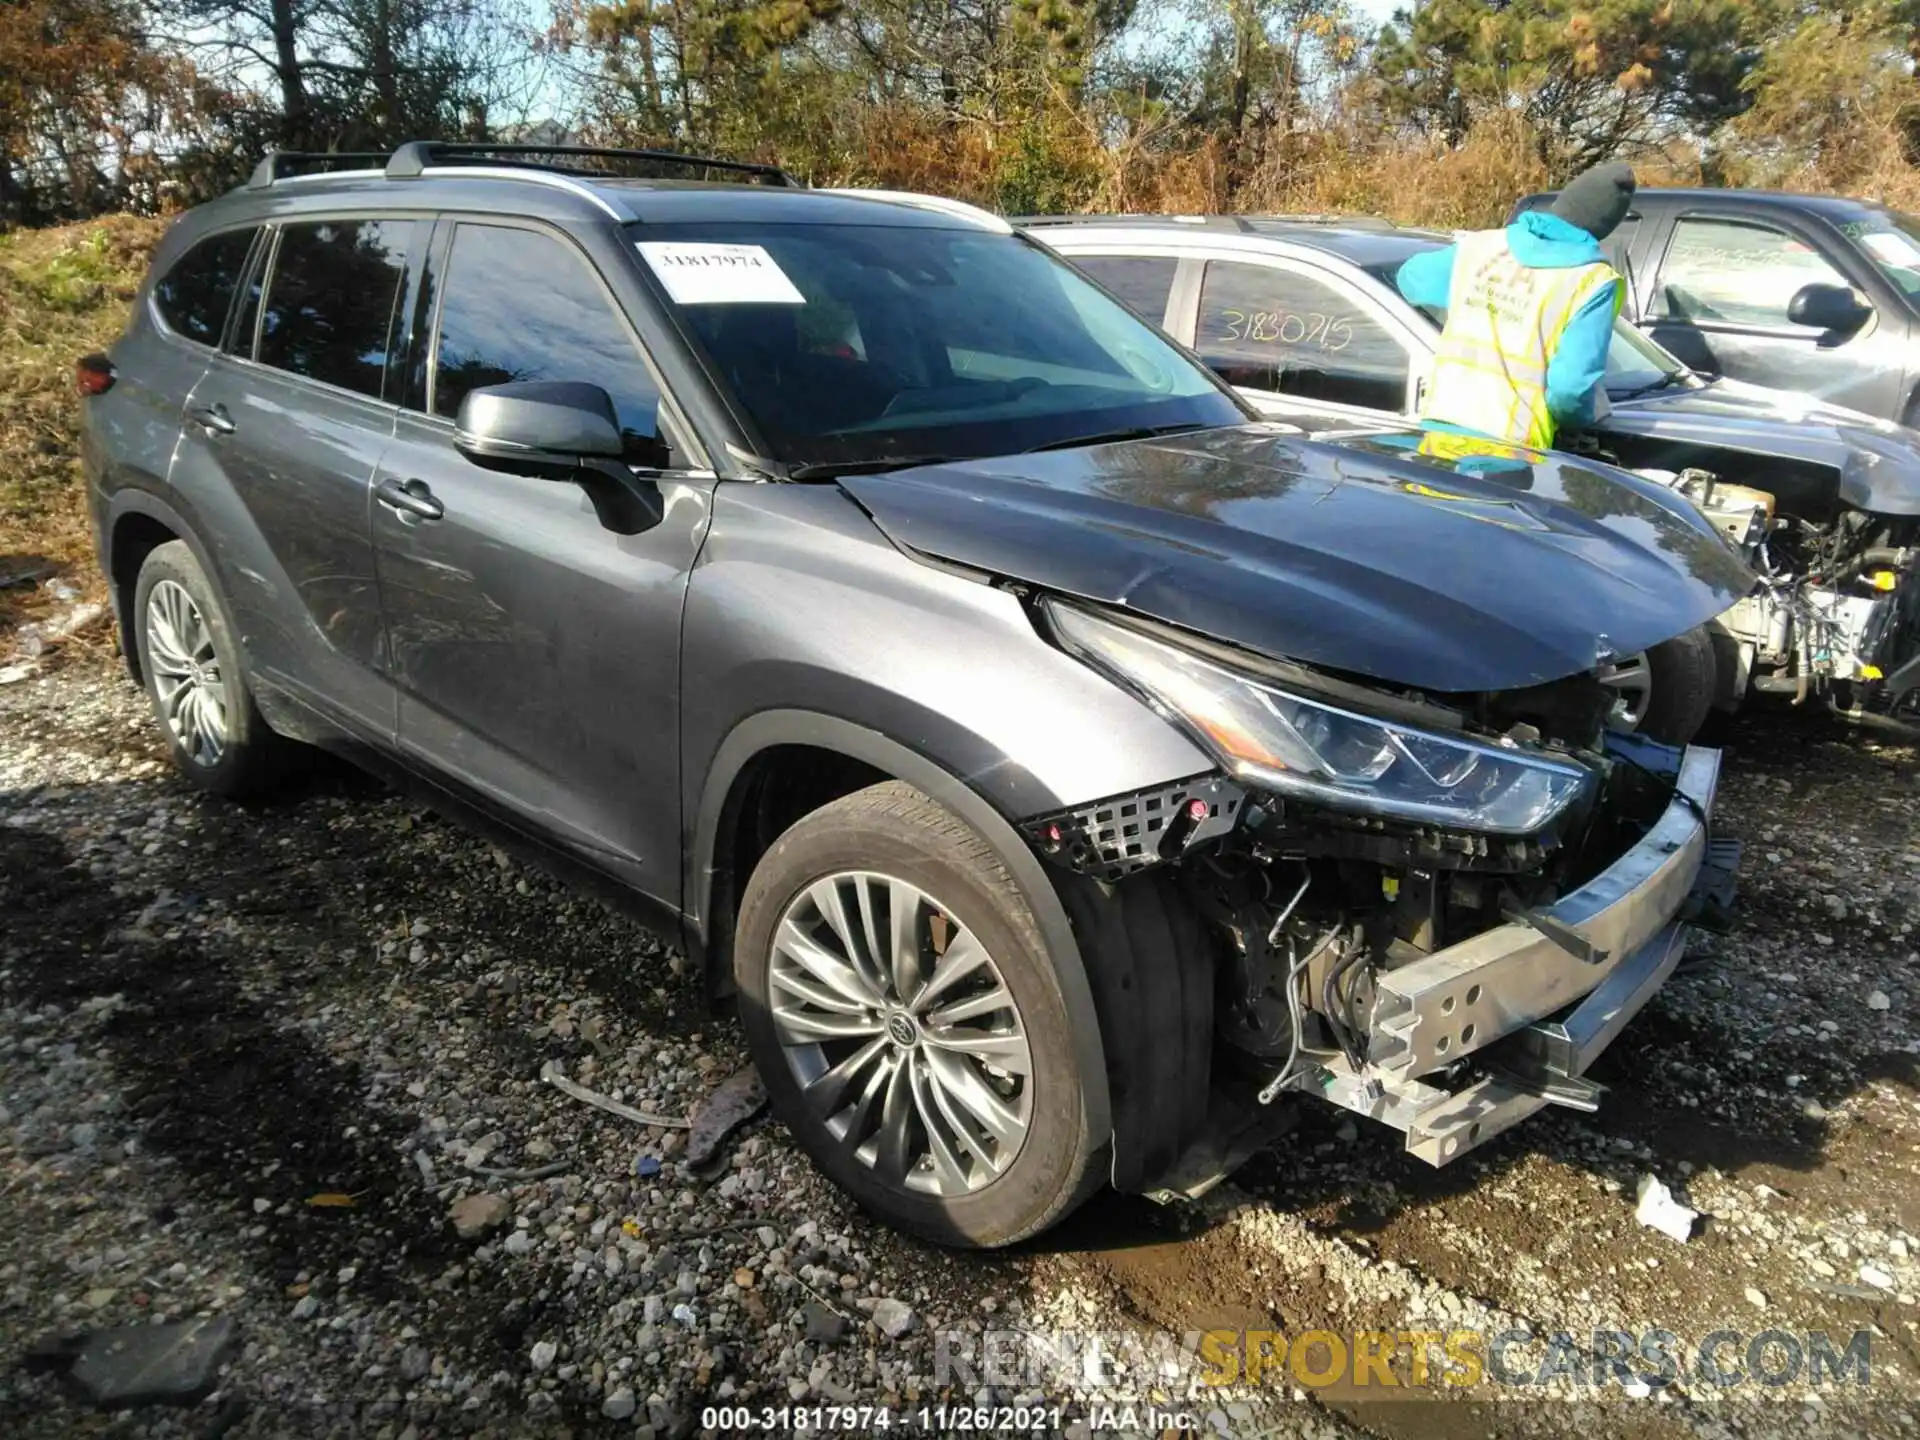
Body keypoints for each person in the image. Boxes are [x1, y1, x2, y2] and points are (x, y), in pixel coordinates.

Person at [1395, 163, 1634, 452]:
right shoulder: (1592, 280)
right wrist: (1583, 420)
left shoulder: (1482, 246)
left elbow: (1410, 279)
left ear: (1564, 202)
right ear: (1607, 225)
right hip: (1513, 450)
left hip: (1444, 428)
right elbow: (1569, 391)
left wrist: (1481, 299)